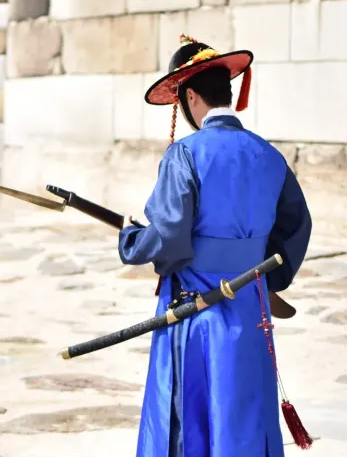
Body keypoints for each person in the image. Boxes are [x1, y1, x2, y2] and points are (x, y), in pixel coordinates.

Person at [118, 34, 313, 457]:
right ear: (227, 92)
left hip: (198, 312)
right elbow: (296, 227)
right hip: (251, 308)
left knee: (194, 417)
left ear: (189, 96)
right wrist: (265, 277)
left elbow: (169, 236)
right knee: (245, 411)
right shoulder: (268, 155)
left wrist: (133, 243)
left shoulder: (185, 154)